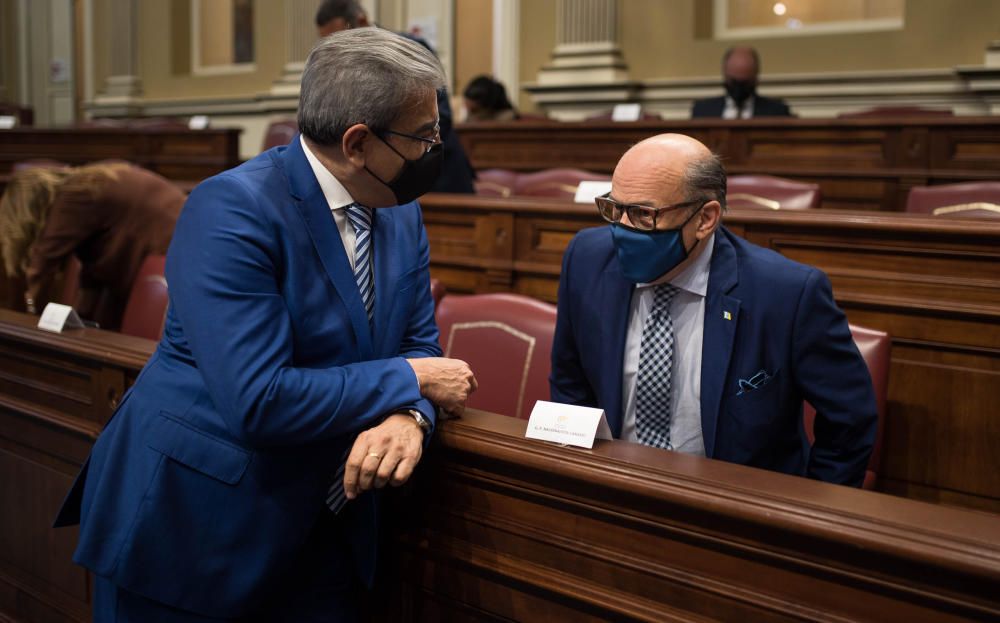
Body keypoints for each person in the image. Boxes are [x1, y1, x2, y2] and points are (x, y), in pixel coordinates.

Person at [55, 28, 477, 622]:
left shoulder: (400, 213)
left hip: (329, 524)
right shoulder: (233, 209)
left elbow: (418, 348)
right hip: (197, 529)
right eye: (424, 135)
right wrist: (411, 380)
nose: (437, 147)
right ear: (358, 143)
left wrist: (409, 415)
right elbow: (259, 397)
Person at [549, 133, 876, 487]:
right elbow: (570, 385)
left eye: (644, 214)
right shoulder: (586, 258)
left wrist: (809, 516)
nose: (622, 230)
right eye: (614, 208)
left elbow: (850, 420)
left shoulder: (787, 293)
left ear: (705, 218)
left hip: (740, 509)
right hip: (613, 488)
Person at [315, 0, 476, 194]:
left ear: (362, 20)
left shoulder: (409, 49)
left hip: (437, 177)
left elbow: (443, 117)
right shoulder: (342, 65)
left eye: (341, 37)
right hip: (381, 181)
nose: (337, 49)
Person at [0, 162, 184, 329]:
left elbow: (43, 260)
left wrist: (32, 316)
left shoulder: (75, 194)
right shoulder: (89, 180)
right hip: (178, 242)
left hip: (169, 251)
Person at [691, 46, 791, 119]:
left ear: (755, 78)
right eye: (734, 82)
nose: (739, 88)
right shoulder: (703, 111)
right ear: (725, 75)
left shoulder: (777, 112)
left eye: (744, 82)